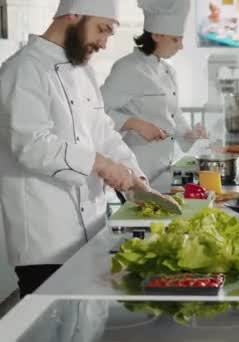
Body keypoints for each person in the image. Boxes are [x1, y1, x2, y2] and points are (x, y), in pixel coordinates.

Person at [0, 0, 148, 297]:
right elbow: (31, 145)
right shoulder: (23, 69)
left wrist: (135, 178)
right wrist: (103, 165)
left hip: (91, 228)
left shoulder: (83, 73)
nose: (104, 44)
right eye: (102, 30)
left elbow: (103, 132)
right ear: (74, 15)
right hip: (46, 240)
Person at [102, 0, 207, 194]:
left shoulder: (167, 70)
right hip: (135, 172)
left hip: (164, 170)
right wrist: (135, 123)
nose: (181, 46)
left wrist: (189, 135)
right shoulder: (128, 68)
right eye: (176, 39)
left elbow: (174, 113)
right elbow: (97, 112)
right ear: (157, 35)